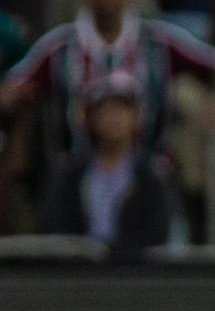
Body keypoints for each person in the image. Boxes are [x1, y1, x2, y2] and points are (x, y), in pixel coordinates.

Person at [0, 0, 215, 171]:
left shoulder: (159, 41)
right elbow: (13, 89)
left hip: (149, 175)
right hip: (76, 179)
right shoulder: (59, 46)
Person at [39, 70, 171, 259]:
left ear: (136, 117)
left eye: (123, 107)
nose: (114, 116)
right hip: (75, 277)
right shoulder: (67, 177)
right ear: (90, 117)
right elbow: (54, 230)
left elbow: (156, 237)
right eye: (105, 108)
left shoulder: (151, 180)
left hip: (133, 278)